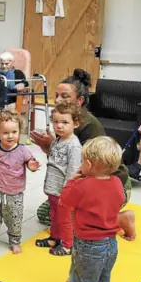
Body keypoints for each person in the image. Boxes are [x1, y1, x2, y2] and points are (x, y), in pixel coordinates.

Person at [31, 69, 132, 228]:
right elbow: (63, 162)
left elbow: (89, 168)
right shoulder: (64, 119)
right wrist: (50, 148)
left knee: (72, 217)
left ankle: (119, 218)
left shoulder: (88, 125)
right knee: (46, 214)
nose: (58, 100)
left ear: (79, 101)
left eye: (64, 96)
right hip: (84, 178)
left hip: (110, 182)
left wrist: (51, 146)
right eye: (56, 95)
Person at [60, 137, 125, 282]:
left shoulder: (82, 185)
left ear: (88, 163)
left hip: (88, 243)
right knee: (103, 275)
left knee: (82, 278)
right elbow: (120, 200)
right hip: (111, 243)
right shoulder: (117, 182)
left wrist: (73, 180)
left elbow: (64, 200)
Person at [0, 110, 39, 254]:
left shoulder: (23, 150)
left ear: (19, 132)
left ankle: (14, 242)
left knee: (15, 219)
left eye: (14, 132)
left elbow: (30, 162)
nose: (10, 136)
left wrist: (31, 166)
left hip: (15, 194)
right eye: (5, 133)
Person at [35, 103, 83, 256]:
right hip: (53, 189)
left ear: (75, 124)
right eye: (56, 122)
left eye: (65, 122)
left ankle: (67, 245)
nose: (59, 126)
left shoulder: (73, 146)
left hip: (64, 191)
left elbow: (73, 171)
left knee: (65, 219)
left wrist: (66, 191)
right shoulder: (57, 141)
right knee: (54, 216)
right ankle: (54, 238)